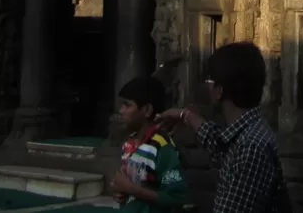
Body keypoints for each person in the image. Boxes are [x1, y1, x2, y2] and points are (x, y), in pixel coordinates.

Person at [160, 41, 287, 213]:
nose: (207, 87)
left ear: (219, 91)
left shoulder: (251, 147)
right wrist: (186, 116)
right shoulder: (248, 131)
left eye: (209, 81)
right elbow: (219, 143)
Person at [110, 76, 189, 213]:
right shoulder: (129, 143)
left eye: (127, 105)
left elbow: (176, 198)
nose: (121, 111)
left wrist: (132, 189)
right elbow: (125, 184)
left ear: (147, 110)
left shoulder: (162, 146)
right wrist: (119, 191)